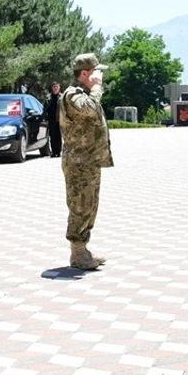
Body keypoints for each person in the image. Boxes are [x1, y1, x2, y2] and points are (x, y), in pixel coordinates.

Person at [61, 53, 115, 270]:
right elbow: (90, 109)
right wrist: (96, 88)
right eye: (95, 72)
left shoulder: (84, 93)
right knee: (80, 207)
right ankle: (77, 253)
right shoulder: (73, 95)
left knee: (90, 205)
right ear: (85, 74)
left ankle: (83, 249)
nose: (99, 75)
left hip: (89, 161)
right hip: (79, 163)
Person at [44, 81, 63, 158]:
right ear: (52, 88)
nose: (55, 88)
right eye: (54, 87)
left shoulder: (62, 97)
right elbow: (45, 107)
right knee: (52, 136)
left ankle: (58, 152)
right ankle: (53, 152)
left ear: (59, 88)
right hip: (51, 119)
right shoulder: (48, 97)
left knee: (58, 136)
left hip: (59, 119)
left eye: (57, 87)